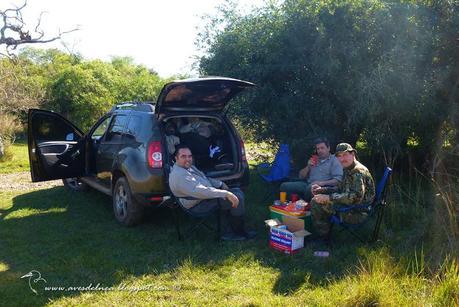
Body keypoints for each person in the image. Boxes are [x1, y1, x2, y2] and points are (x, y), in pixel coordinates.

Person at [169, 144, 256, 241]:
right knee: (237, 197)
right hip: (197, 204)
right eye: (183, 156)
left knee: (236, 191)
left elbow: (204, 178)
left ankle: (234, 228)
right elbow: (200, 191)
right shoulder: (180, 175)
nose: (188, 159)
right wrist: (225, 194)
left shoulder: (188, 167)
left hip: (203, 197)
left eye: (189, 156)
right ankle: (233, 232)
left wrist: (220, 184)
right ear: (176, 158)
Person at [310, 143, 376, 240]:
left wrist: (329, 198)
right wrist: (322, 189)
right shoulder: (348, 168)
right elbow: (341, 188)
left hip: (357, 212)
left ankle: (323, 238)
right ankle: (324, 232)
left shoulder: (357, 172)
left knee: (316, 203)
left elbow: (355, 197)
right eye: (339, 156)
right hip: (351, 206)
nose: (342, 159)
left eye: (345, 155)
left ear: (353, 154)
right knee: (319, 197)